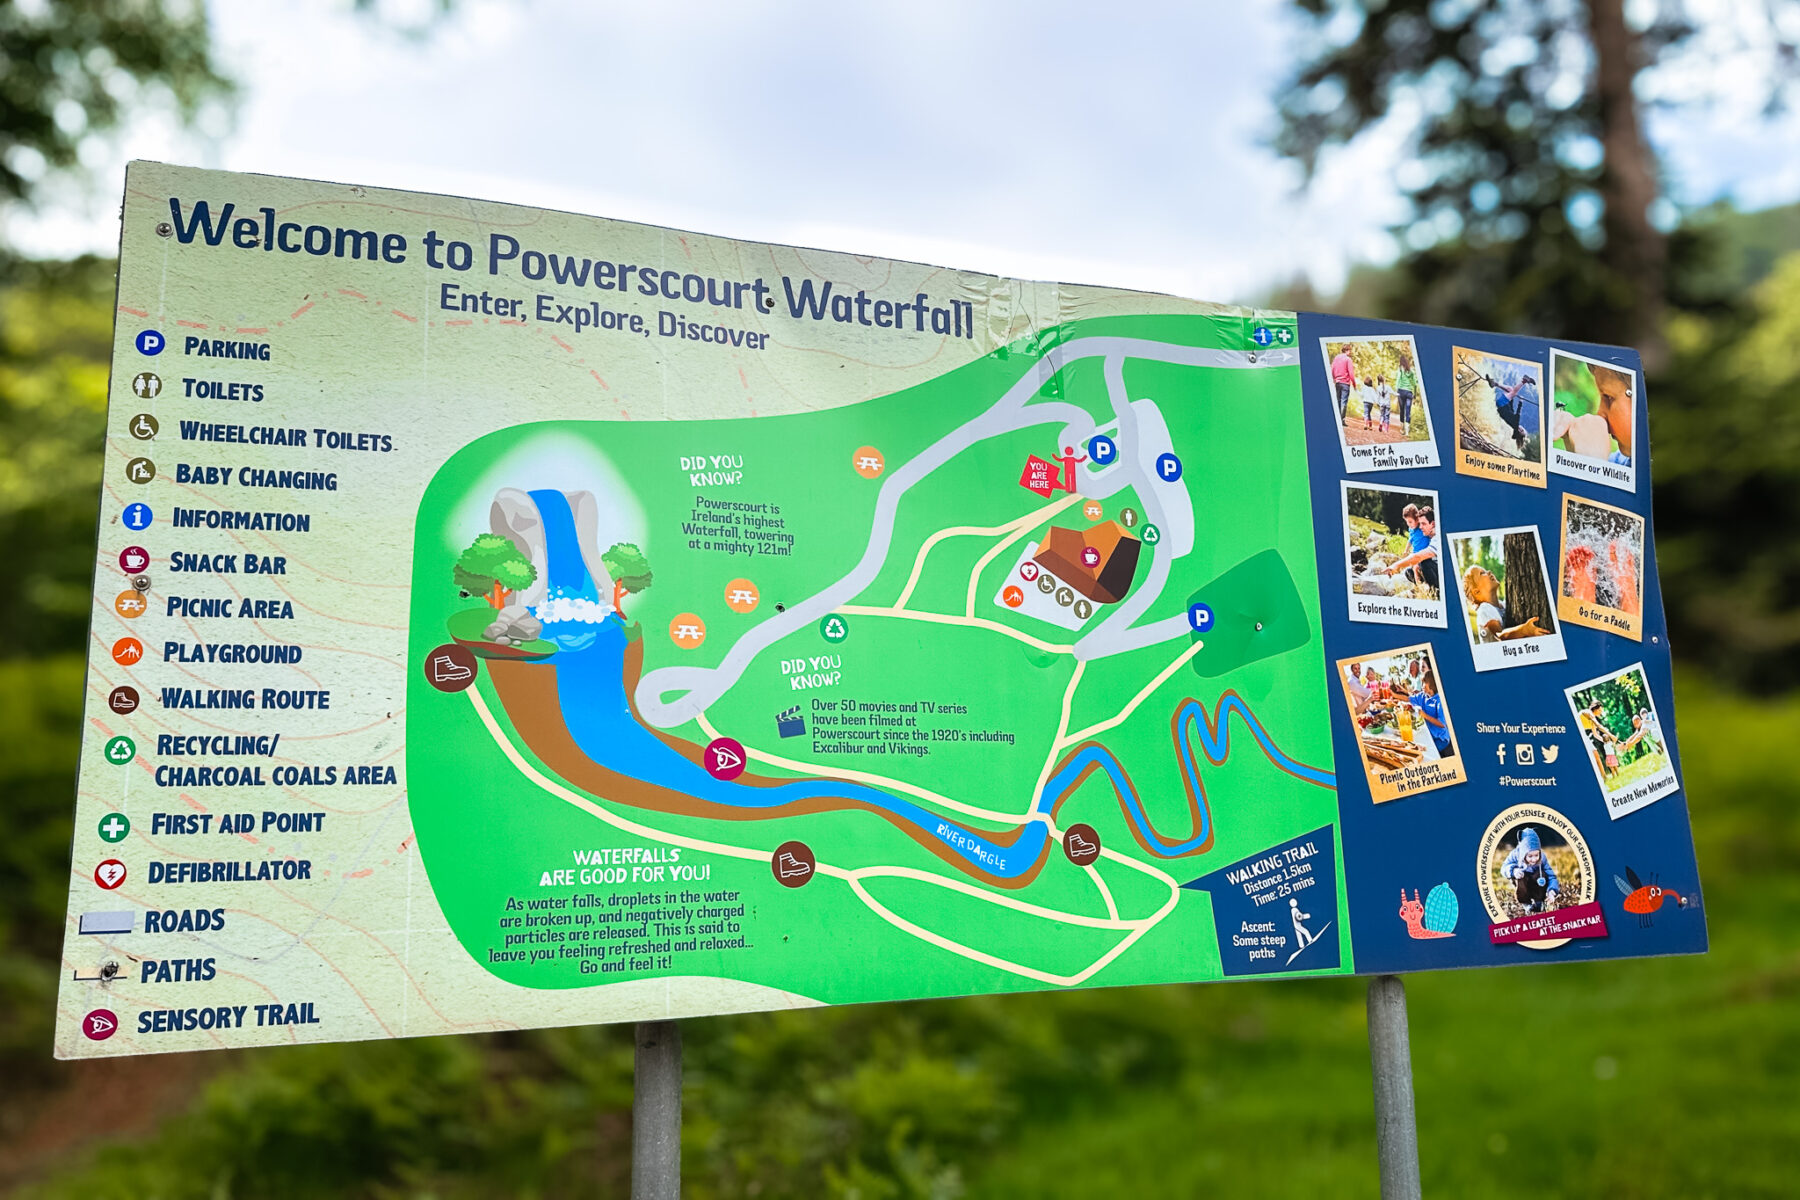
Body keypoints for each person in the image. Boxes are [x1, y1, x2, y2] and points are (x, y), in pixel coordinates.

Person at [1459, 564, 1548, 642]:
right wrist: (1524, 630)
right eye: (1482, 573)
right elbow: (1500, 635)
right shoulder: (1484, 610)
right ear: (1476, 592)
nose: (1489, 572)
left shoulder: (1505, 605)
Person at [1499, 827, 1561, 914]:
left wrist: (1552, 891)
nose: (1534, 859)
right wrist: (1513, 871)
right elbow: (1503, 868)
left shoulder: (1542, 858)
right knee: (1520, 878)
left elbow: (1551, 875)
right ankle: (1526, 904)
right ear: (1524, 854)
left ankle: (1539, 902)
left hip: (1536, 882)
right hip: (1523, 881)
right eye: (1530, 856)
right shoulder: (1515, 854)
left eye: (1536, 855)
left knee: (1542, 874)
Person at [1384, 506, 1440, 596]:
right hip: (1433, 570)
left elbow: (1418, 556)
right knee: (1409, 572)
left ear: (1433, 524)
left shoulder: (1438, 538)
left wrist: (1396, 565)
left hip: (1442, 575)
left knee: (1423, 562)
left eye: (1423, 524)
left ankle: (1437, 592)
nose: (1420, 527)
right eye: (1420, 524)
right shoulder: (1428, 536)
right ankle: (1426, 590)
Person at [1406, 670, 1453, 757]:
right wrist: (1393, 694)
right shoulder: (1423, 695)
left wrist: (1425, 716)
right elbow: (1408, 698)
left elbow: (1442, 724)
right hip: (1431, 735)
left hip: (1440, 740)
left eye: (1424, 683)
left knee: (1426, 754)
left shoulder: (1439, 700)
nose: (1422, 686)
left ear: (1431, 684)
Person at [1394, 353, 1419, 432]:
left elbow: (1398, 379)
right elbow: (1415, 383)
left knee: (1402, 410)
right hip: (1409, 392)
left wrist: (1396, 390)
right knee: (1408, 410)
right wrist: (1415, 393)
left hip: (1401, 391)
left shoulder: (1400, 369)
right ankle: (1407, 430)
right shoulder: (1411, 371)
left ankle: (1402, 428)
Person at [1331, 347, 1357, 420]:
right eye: (1349, 350)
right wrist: (1354, 384)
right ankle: (1342, 420)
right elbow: (1351, 373)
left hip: (1338, 382)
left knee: (1338, 400)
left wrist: (1334, 379)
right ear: (1347, 351)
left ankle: (1337, 419)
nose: (1350, 352)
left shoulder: (1336, 358)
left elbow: (1332, 369)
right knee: (1343, 401)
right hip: (1345, 383)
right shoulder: (1348, 359)